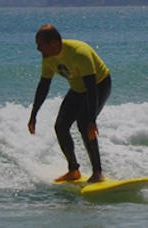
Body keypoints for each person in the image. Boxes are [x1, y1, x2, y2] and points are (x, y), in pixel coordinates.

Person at [27, 24, 112, 183]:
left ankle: (98, 172)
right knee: (60, 126)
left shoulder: (79, 53)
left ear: (53, 43)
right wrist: (34, 115)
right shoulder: (48, 58)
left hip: (99, 84)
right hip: (78, 88)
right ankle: (73, 170)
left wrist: (92, 119)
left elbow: (91, 87)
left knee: (84, 124)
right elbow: (44, 85)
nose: (38, 48)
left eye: (40, 44)